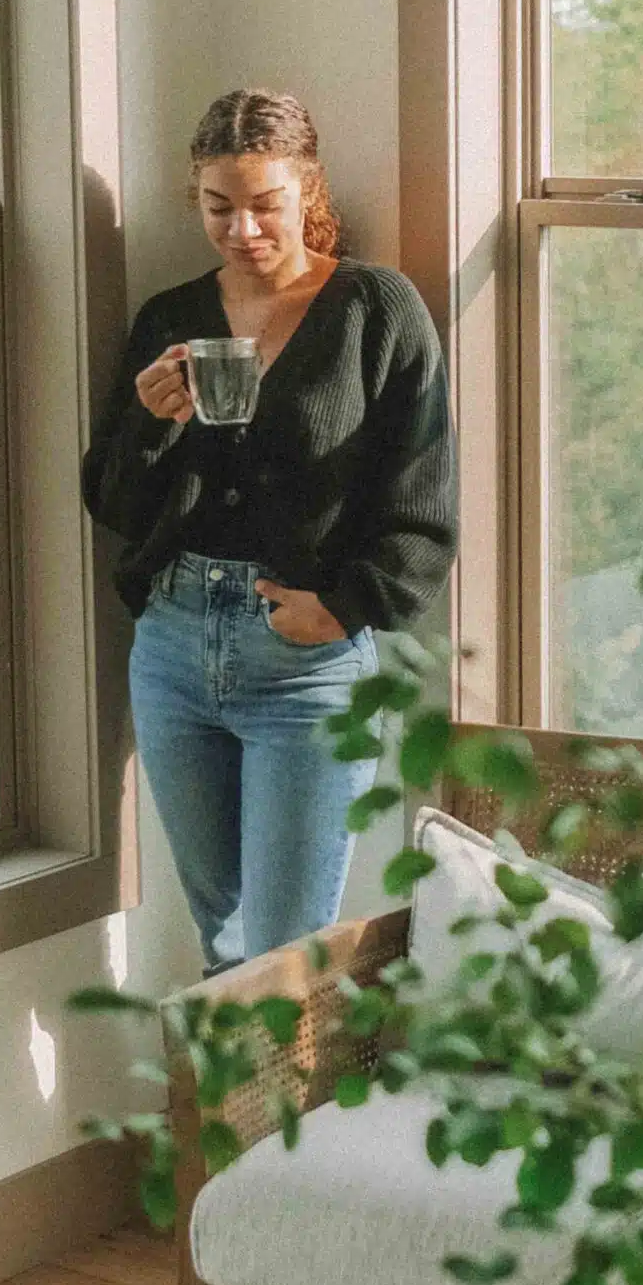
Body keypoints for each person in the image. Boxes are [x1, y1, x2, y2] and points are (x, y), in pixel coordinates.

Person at [82, 88, 456, 970]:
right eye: (219, 207)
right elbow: (112, 501)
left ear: (308, 190)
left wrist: (346, 607)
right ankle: (230, 1112)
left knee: (287, 957)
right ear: (195, 199)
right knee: (222, 944)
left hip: (307, 666)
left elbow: (425, 492)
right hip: (172, 647)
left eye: (265, 205)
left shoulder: (376, 309)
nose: (242, 229)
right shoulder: (170, 320)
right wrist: (149, 423)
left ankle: (289, 1109)